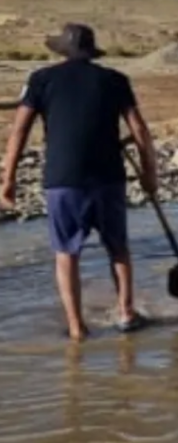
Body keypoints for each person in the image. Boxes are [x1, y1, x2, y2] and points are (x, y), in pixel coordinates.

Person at [0, 23, 158, 340]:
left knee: (66, 253)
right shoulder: (114, 80)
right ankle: (126, 313)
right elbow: (140, 131)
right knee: (118, 248)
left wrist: (9, 177)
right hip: (108, 177)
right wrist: (149, 174)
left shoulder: (41, 80)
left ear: (62, 51)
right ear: (90, 52)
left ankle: (76, 328)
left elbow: (19, 131)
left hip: (63, 179)